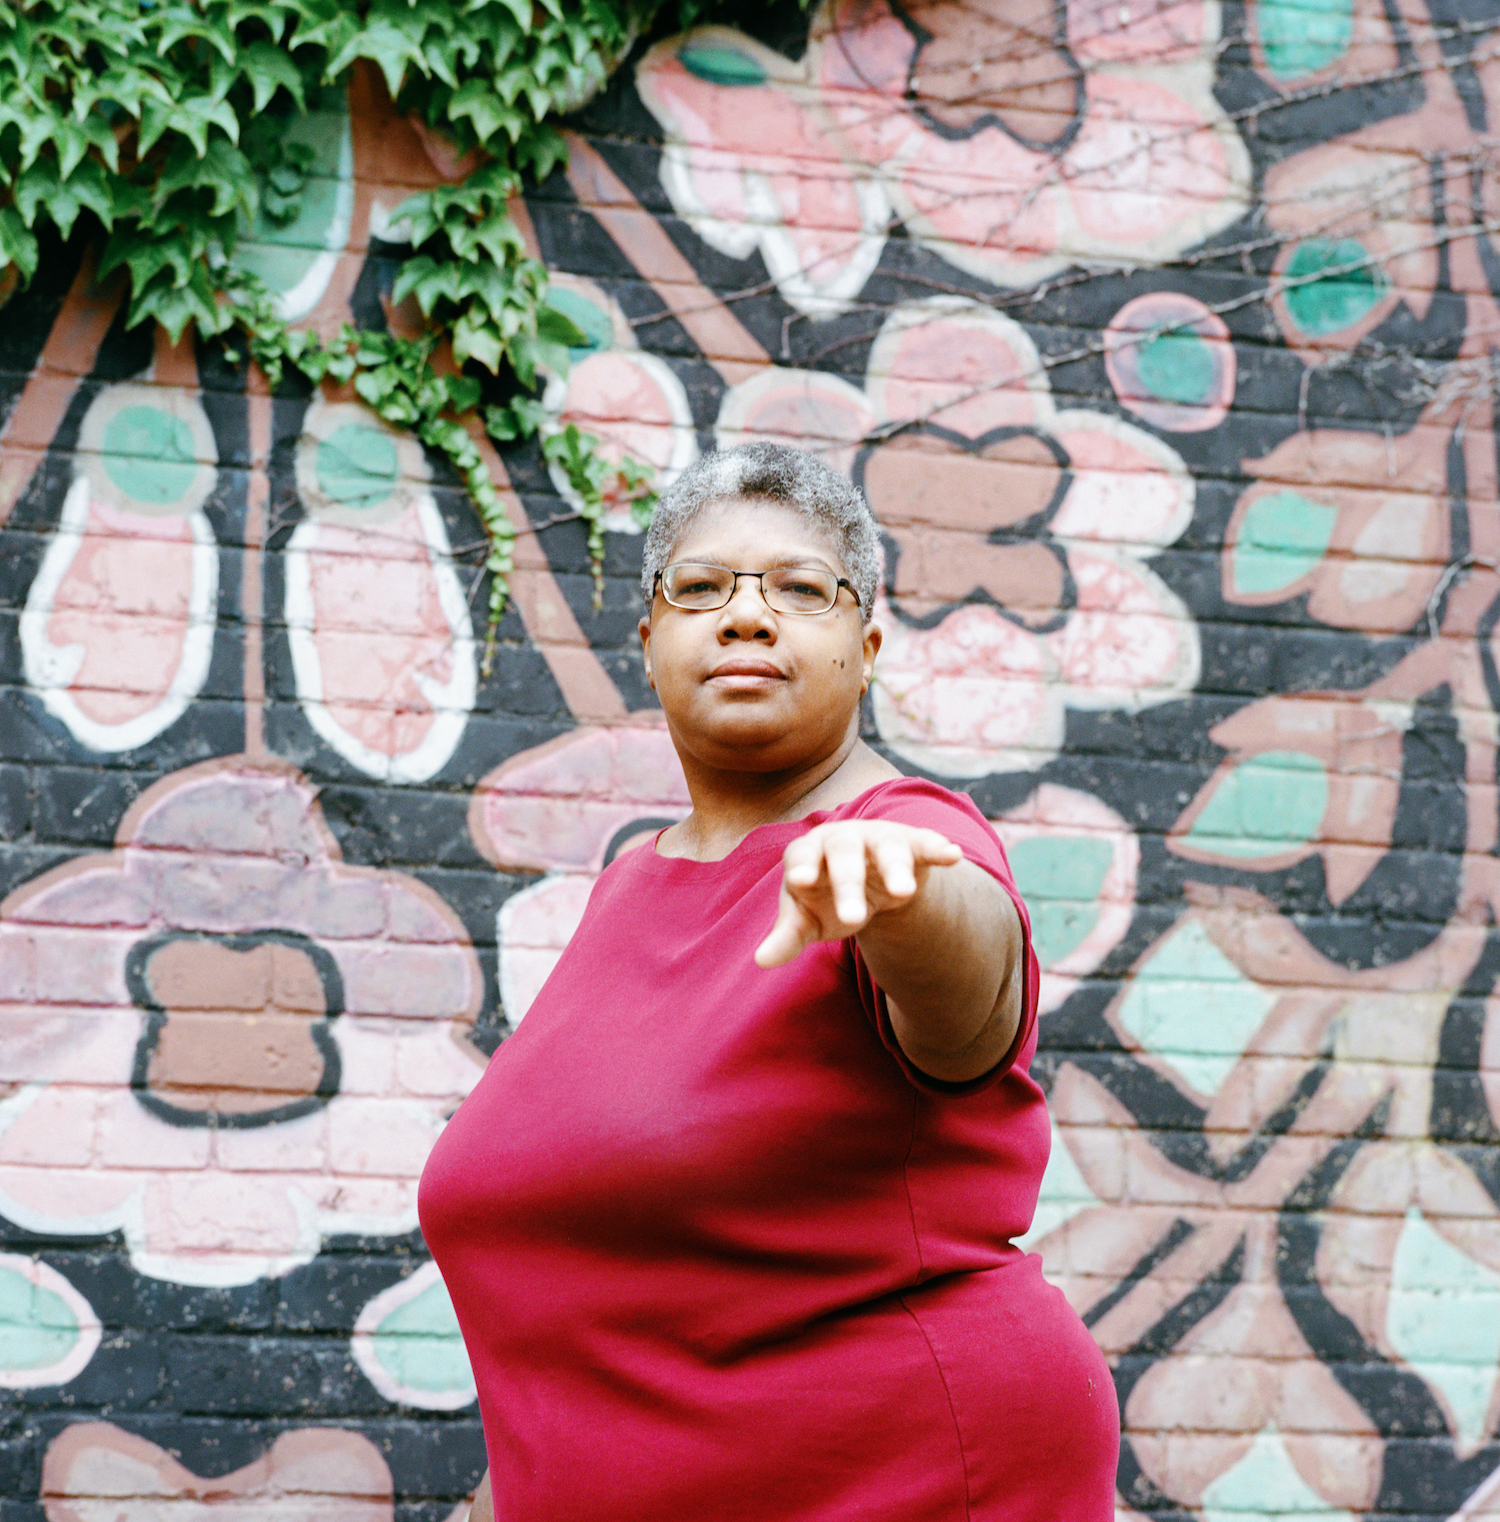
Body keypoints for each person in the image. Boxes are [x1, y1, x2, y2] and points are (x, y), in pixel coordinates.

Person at [418, 441, 1120, 1520]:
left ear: (869, 643)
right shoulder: (632, 885)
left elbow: (972, 1005)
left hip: (915, 1478)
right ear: (649, 640)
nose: (747, 617)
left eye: (801, 589)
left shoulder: (904, 840)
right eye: (700, 590)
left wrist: (902, 903)